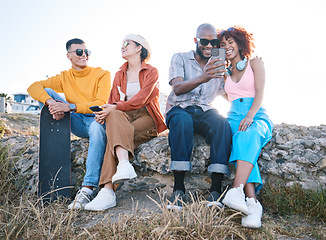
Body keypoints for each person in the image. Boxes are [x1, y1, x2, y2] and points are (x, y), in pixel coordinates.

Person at [83, 34, 167, 211]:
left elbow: (142, 99)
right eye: (122, 44)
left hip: (146, 116)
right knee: (113, 119)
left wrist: (114, 107)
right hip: (122, 116)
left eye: (127, 43)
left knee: (114, 139)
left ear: (139, 48)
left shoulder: (151, 71)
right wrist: (104, 113)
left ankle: (107, 192)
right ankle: (124, 165)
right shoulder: (119, 74)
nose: (123, 46)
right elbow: (113, 102)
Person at [27, 38, 111, 210]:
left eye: (87, 52)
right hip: (75, 120)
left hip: (95, 120)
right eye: (79, 52)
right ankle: (55, 117)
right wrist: (51, 103)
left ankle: (88, 189)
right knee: (48, 91)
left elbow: (100, 103)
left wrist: (69, 106)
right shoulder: (64, 77)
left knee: (96, 128)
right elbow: (32, 87)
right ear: (69, 56)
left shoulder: (102, 74)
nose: (84, 55)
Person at [165, 23, 232, 210]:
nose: (209, 46)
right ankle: (179, 190)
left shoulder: (218, 65)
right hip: (180, 108)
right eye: (204, 41)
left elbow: (228, 96)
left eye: (214, 42)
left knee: (221, 124)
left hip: (204, 110)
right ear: (196, 41)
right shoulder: (180, 58)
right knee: (182, 122)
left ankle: (215, 191)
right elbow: (177, 88)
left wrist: (231, 76)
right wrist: (203, 77)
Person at [218, 26, 273, 228]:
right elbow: (227, 96)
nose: (227, 47)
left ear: (240, 43)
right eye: (223, 45)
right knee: (242, 144)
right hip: (232, 116)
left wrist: (250, 115)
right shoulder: (225, 72)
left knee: (247, 137)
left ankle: (236, 190)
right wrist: (217, 76)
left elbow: (259, 92)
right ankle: (253, 204)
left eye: (230, 42)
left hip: (256, 113)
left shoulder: (255, 63)